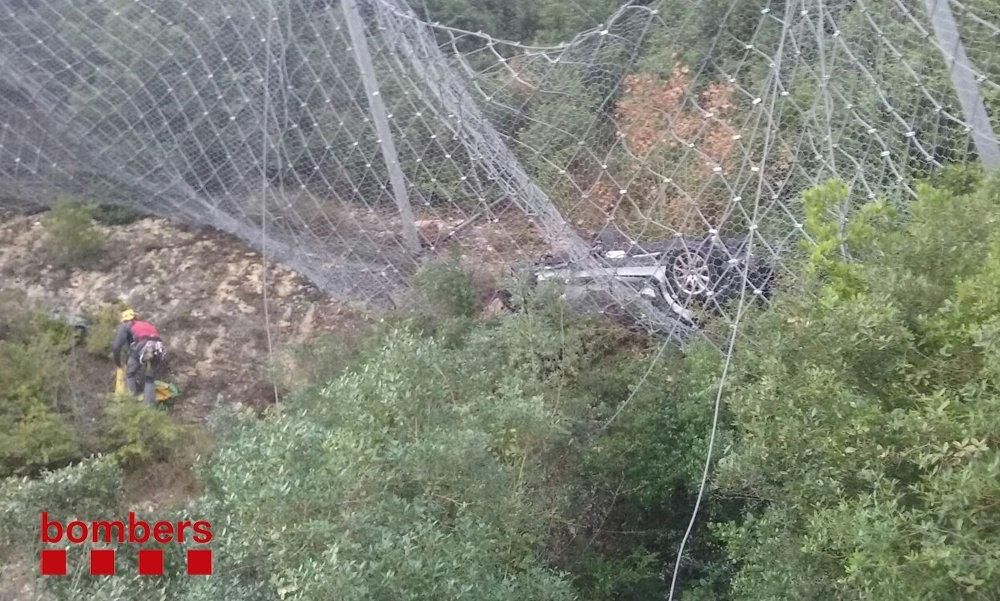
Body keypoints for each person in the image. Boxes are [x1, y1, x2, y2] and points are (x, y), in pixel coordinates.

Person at [111, 309, 166, 406]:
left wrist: (118, 363)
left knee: (130, 373)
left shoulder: (126, 325)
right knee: (149, 378)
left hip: (143, 346)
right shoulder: (146, 324)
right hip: (158, 347)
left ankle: (131, 401)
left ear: (125, 320)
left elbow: (116, 347)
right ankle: (149, 408)